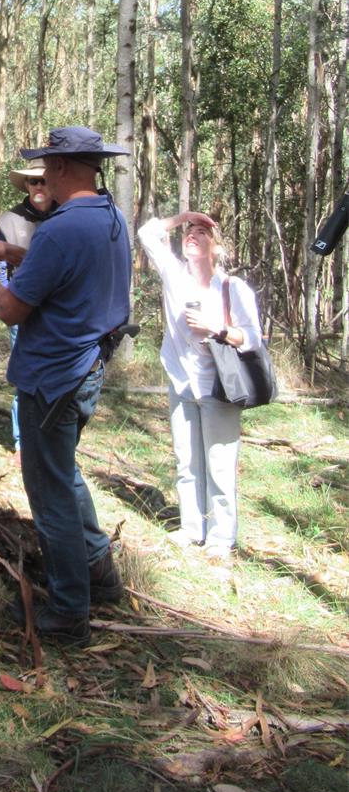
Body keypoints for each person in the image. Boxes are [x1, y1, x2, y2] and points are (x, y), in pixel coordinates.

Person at [0, 126, 132, 647]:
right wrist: (10, 254)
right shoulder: (108, 218)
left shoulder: (61, 230)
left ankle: (67, 611)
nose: (43, 178)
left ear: (61, 169)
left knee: (51, 494)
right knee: (66, 476)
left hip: (54, 377)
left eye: (46, 169)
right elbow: (61, 268)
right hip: (86, 371)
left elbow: (12, 308)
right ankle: (98, 572)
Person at [138, 211, 262, 558]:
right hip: (181, 382)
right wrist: (182, 217)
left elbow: (252, 338)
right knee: (186, 460)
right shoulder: (175, 277)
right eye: (189, 232)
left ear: (216, 247)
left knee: (219, 464)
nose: (192, 235)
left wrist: (216, 328)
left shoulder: (232, 288)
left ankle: (221, 538)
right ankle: (192, 528)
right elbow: (148, 234)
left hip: (218, 385)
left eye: (202, 232)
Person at [0, 161, 54, 459]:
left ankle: (50, 438)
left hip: (57, 311)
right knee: (25, 373)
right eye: (33, 183)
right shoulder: (10, 220)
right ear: (26, 187)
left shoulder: (65, 217)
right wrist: (6, 298)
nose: (39, 187)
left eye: (43, 181)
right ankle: (22, 442)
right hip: (22, 307)